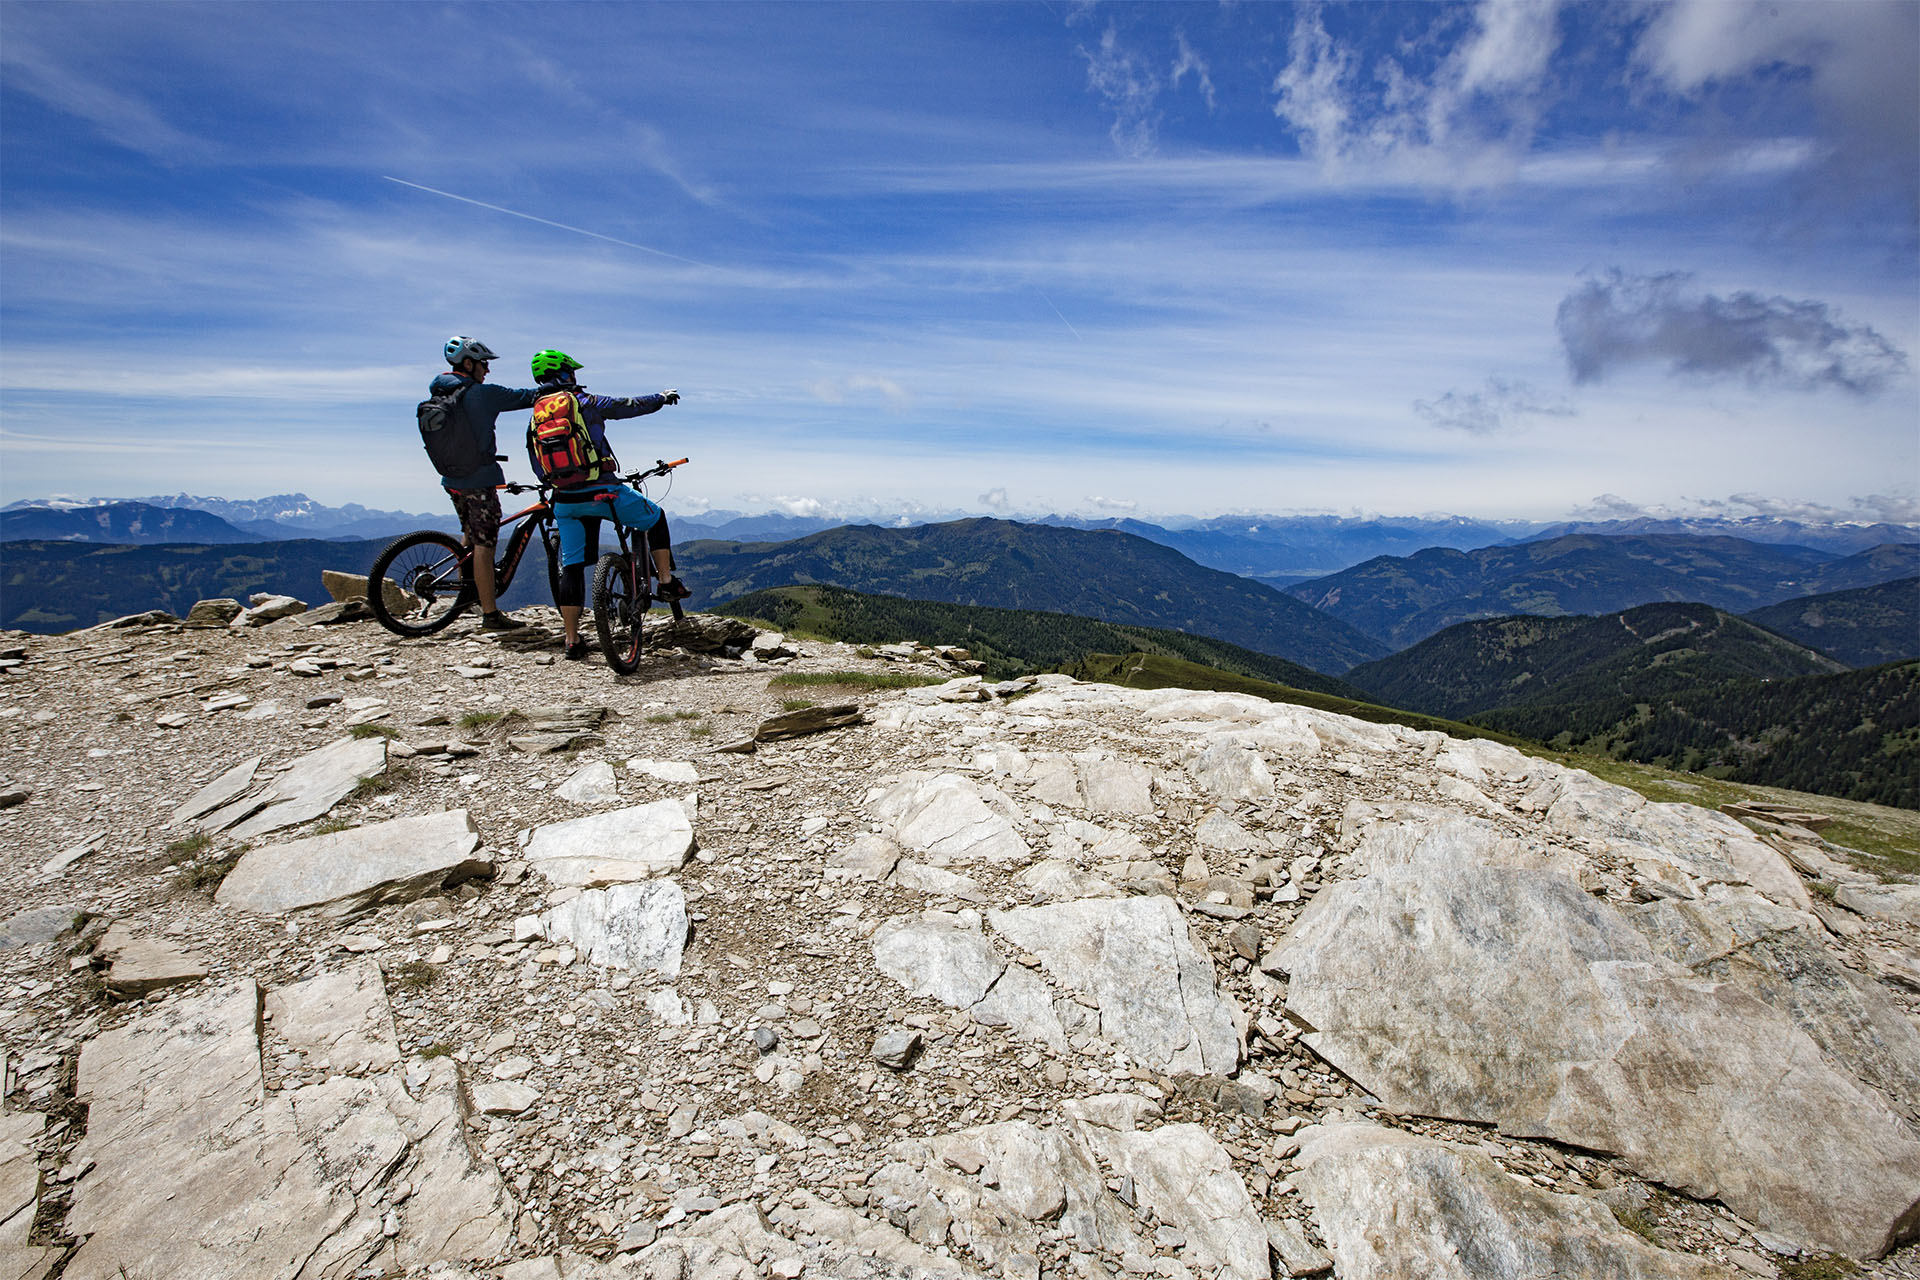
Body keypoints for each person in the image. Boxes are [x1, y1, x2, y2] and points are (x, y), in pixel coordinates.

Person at [523, 348, 688, 661]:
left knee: (572, 566)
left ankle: (572, 640)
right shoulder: (584, 402)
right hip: (604, 493)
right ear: (565, 374)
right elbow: (627, 405)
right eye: (572, 371)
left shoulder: (537, 415)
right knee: (656, 517)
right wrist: (661, 398)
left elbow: (536, 463)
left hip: (565, 502)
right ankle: (666, 582)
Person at [430, 336, 543, 630]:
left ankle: (467, 596)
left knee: (469, 533)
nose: (487, 370)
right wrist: (560, 387)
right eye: (483, 364)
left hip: (451, 479)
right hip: (479, 480)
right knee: (485, 544)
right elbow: (526, 396)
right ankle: (490, 614)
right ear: (468, 363)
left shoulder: (441, 393)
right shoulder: (482, 394)